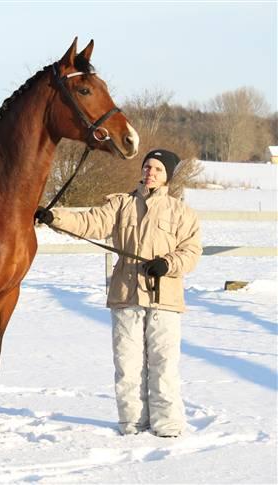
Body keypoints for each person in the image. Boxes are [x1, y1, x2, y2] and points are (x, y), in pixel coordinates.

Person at [35, 149, 202, 437]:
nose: (150, 172)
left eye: (158, 169)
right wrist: (54, 217)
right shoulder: (121, 204)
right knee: (128, 364)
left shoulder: (181, 213)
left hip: (165, 299)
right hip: (126, 296)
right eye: (147, 166)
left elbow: (191, 251)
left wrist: (167, 264)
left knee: (163, 363)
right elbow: (89, 221)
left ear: (168, 177)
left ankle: (168, 426)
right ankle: (132, 424)